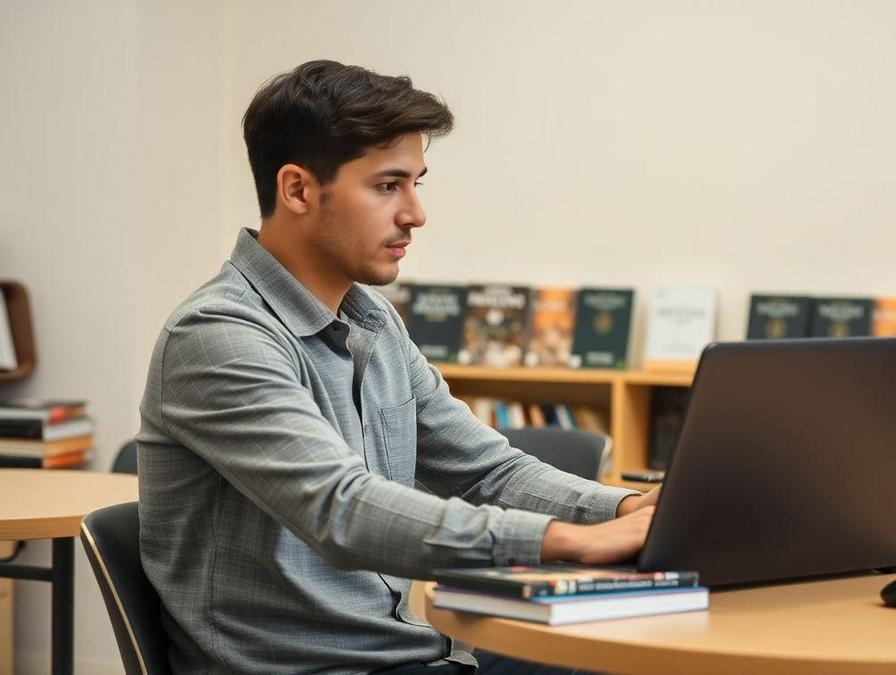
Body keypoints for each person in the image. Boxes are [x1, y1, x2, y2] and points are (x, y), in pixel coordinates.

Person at [137, 60, 659, 675]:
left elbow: (488, 471)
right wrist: (568, 540)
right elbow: (341, 509)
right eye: (388, 186)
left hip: (412, 658)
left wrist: (627, 509)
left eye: (417, 183)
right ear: (298, 189)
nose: (415, 213)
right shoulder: (218, 335)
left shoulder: (376, 324)